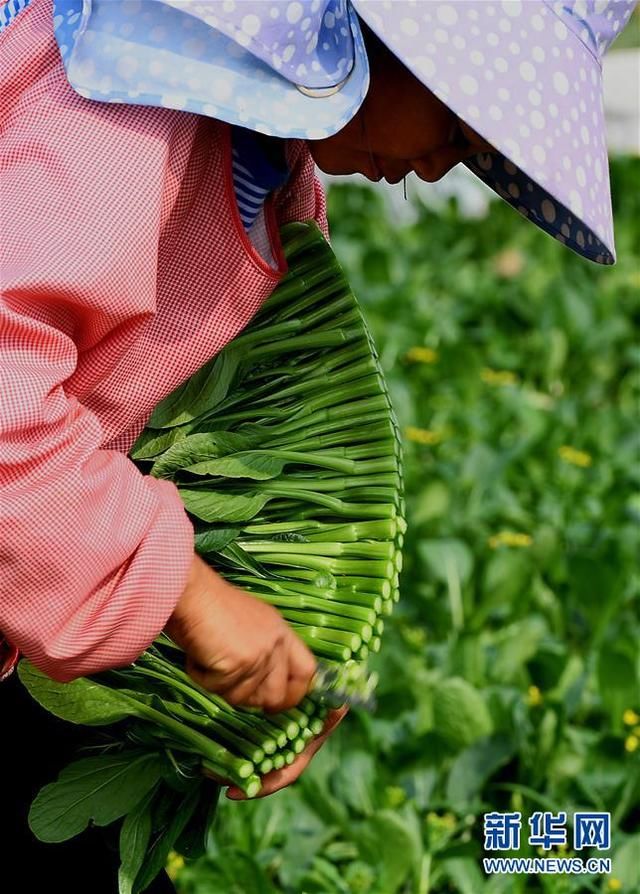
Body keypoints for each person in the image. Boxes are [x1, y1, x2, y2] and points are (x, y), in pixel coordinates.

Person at [1, 0, 635, 891]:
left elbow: (198, 422)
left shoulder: (263, 160)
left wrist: (272, 637)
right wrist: (187, 596)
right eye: (465, 118)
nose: (460, 159)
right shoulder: (124, 107)